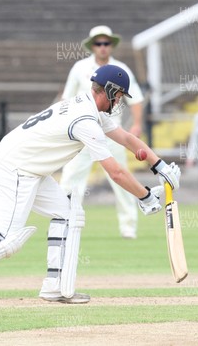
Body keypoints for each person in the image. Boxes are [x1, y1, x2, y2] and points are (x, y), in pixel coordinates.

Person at [0, 65, 181, 305]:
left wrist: (162, 167)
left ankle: (55, 286)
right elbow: (115, 172)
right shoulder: (86, 121)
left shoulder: (90, 109)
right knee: (6, 239)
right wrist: (145, 196)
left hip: (31, 166)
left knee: (69, 214)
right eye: (119, 96)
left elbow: (127, 139)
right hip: (17, 167)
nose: (119, 102)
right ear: (110, 91)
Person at [58, 25, 145, 240]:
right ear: (92, 46)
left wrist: (137, 124)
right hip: (82, 131)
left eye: (106, 43)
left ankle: (128, 227)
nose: (103, 47)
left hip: (111, 131)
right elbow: (66, 99)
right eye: (99, 43)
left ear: (111, 46)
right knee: (70, 179)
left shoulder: (121, 68)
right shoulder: (79, 67)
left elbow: (136, 99)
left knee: (121, 178)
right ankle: (64, 222)